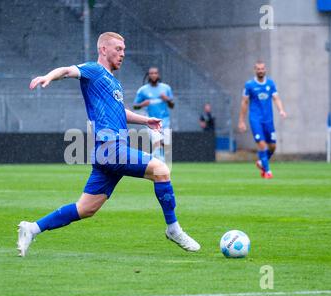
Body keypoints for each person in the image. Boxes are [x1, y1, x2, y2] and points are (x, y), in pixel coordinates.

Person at [17, 32, 200, 257]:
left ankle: (32, 228)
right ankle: (173, 229)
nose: (122, 54)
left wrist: (146, 121)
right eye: (118, 49)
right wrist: (48, 76)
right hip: (110, 148)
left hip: (107, 153)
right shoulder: (94, 71)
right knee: (161, 170)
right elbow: (66, 71)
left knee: (85, 209)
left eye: (124, 50)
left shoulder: (114, 82)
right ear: (103, 49)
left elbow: (119, 112)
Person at [238, 61, 287, 179]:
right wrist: (241, 121)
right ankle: (268, 171)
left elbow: (276, 98)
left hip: (268, 120)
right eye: (258, 69)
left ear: (265, 70)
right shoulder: (249, 85)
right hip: (255, 119)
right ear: (255, 70)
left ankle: (261, 163)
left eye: (262, 69)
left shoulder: (270, 83)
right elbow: (244, 102)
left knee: (273, 147)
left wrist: (281, 110)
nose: (260, 71)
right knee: (262, 144)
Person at [132, 67, 174, 162]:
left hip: (165, 121)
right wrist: (143, 104)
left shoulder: (166, 88)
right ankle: (159, 162)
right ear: (148, 75)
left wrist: (166, 99)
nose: (153, 75)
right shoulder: (143, 90)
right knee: (158, 141)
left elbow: (172, 105)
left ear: (158, 75)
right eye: (151, 73)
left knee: (165, 144)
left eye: (155, 73)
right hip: (151, 121)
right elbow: (135, 106)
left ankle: (153, 158)